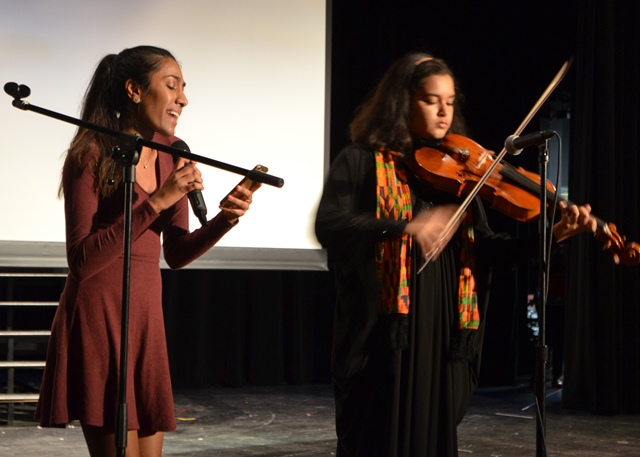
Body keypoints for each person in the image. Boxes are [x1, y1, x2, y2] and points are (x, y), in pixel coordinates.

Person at [314, 52, 596, 457]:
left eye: (450, 101)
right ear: (403, 101)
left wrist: (550, 239)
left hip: (442, 333)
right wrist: (405, 227)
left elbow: (490, 251)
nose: (444, 110)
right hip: (385, 338)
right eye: (431, 100)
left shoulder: (458, 176)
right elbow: (330, 225)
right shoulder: (362, 161)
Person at [34, 45, 259, 457]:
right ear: (134, 91)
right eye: (171, 85)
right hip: (99, 318)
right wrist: (155, 202)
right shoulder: (90, 153)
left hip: (144, 320)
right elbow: (82, 262)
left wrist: (225, 218)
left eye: (184, 88)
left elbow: (174, 253)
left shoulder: (172, 155)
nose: (183, 98)